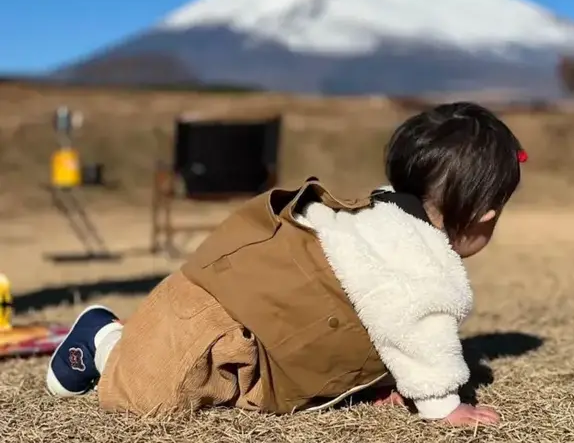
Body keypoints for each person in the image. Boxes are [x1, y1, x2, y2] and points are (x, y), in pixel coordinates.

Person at [45, 102, 525, 427]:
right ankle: (104, 339)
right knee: (149, 400)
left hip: (260, 342)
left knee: (216, 391)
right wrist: (442, 406)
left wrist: (383, 379)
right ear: (486, 214)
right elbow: (418, 330)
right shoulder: (423, 269)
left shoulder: (380, 221)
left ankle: (132, 341)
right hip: (218, 312)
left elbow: (375, 316)